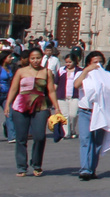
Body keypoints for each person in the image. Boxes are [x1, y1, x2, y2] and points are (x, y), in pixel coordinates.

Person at [8, 46, 61, 176]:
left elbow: (51, 91)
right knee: (21, 138)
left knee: (39, 136)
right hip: (21, 105)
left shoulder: (47, 72)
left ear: (42, 58)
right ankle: (21, 167)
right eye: (33, 58)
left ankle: (36, 164)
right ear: (29, 59)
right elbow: (14, 89)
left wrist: (57, 107)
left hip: (40, 106)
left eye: (38, 58)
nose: (35, 61)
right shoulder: (21, 71)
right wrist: (7, 104)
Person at [75, 51, 110, 180]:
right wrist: (86, 71)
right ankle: (85, 169)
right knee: (86, 140)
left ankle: (92, 169)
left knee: (97, 142)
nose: (98, 65)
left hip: (101, 112)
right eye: (95, 62)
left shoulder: (107, 76)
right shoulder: (83, 74)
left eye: (100, 62)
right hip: (85, 111)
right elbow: (76, 85)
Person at [53, 52, 82, 139]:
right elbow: (55, 84)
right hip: (62, 96)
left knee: (73, 115)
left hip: (75, 96)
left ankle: (72, 129)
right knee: (65, 115)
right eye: (66, 62)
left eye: (70, 62)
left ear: (74, 62)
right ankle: (66, 133)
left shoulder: (80, 71)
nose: (68, 64)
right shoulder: (61, 70)